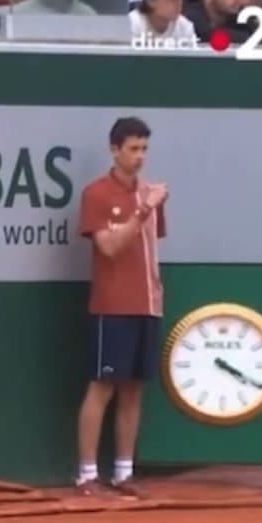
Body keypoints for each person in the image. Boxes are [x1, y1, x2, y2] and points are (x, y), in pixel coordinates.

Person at [75, 117, 168, 497]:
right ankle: (85, 474)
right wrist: (143, 210)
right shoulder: (96, 194)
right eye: (133, 148)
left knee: (134, 390)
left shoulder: (150, 193)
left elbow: (151, 248)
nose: (140, 156)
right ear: (114, 150)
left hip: (148, 305)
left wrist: (156, 290)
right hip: (112, 305)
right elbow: (110, 248)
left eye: (144, 148)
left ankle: (123, 473)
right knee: (102, 387)